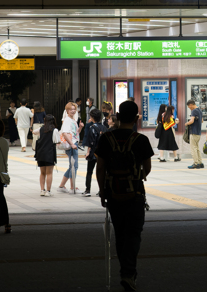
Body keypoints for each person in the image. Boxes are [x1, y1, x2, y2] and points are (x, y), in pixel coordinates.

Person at [95, 100, 154, 292]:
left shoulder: (106, 139)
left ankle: (125, 271)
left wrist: (103, 192)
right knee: (133, 234)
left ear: (117, 117)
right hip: (135, 194)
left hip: (113, 193)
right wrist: (135, 176)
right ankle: (129, 273)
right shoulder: (141, 140)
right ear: (137, 118)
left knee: (119, 233)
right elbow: (147, 168)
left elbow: (101, 167)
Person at [58, 101, 82, 194]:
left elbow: (75, 134)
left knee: (72, 166)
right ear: (67, 110)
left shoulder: (72, 120)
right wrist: (72, 144)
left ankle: (62, 186)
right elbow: (64, 133)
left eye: (74, 109)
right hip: (72, 145)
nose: (73, 111)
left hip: (74, 144)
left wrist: (80, 127)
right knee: (74, 166)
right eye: (71, 109)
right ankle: (72, 187)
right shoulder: (67, 120)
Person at [35, 113, 60, 196]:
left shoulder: (41, 129)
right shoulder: (54, 130)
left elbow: (34, 132)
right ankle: (48, 191)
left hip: (40, 154)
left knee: (42, 173)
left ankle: (42, 190)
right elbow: (57, 141)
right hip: (49, 154)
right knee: (49, 173)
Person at [83, 109, 105, 196]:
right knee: (101, 172)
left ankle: (88, 190)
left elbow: (91, 142)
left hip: (93, 152)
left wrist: (88, 152)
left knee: (89, 171)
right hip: (102, 153)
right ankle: (101, 190)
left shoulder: (92, 128)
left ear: (92, 117)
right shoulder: (104, 128)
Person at [186, 100, 204, 169]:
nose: (189, 108)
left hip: (193, 132)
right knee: (197, 148)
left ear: (191, 105)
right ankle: (200, 163)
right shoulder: (199, 110)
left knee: (193, 148)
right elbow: (202, 121)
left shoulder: (193, 111)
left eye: (189, 106)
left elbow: (192, 121)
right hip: (198, 132)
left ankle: (195, 163)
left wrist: (186, 123)